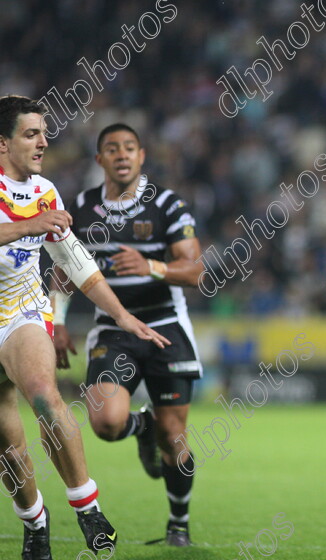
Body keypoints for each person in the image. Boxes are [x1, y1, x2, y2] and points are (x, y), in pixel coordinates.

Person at [0, 96, 170, 559]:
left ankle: (87, 506)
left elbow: (75, 262)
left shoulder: (44, 191)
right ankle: (35, 523)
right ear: (2, 142)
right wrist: (29, 226)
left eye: (43, 132)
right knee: (9, 452)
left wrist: (121, 315)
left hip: (19, 309)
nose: (42, 141)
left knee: (42, 391)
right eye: (30, 133)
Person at [51, 123, 204, 547]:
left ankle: (179, 525)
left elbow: (195, 270)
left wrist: (153, 266)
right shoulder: (80, 208)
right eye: (112, 149)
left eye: (130, 148)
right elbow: (64, 269)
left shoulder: (168, 205)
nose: (122, 155)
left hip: (165, 325)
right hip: (113, 329)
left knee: (175, 438)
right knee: (106, 422)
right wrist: (58, 320)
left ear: (142, 157)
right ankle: (142, 426)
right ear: (99, 160)